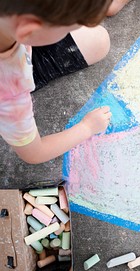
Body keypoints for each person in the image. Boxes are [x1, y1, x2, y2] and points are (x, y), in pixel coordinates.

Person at [0, 0, 128, 164]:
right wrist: (86, 128)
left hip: (13, 37)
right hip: (13, 68)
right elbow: (34, 154)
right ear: (29, 30)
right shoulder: (10, 93)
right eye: (70, 27)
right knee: (98, 40)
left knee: (95, 36)